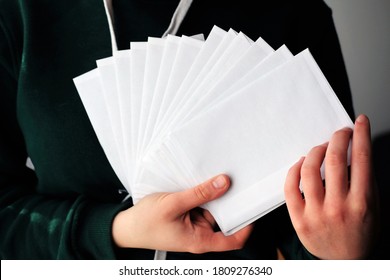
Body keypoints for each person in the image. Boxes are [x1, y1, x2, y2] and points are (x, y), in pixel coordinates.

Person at [0, 0, 379, 259]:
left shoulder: (293, 10)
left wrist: (345, 262)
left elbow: (324, 220)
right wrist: (117, 229)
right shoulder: (17, 12)